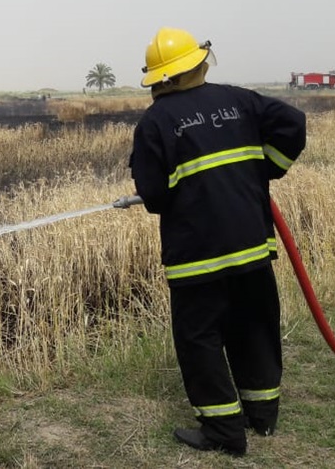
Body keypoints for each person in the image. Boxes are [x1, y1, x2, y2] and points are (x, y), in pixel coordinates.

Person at [128, 27, 306, 457]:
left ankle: (224, 432)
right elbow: (293, 123)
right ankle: (262, 416)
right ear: (199, 64)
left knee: (200, 338)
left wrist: (176, 191)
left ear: (161, 78)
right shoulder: (240, 101)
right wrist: (267, 168)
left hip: (197, 259)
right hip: (251, 247)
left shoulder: (155, 122)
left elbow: (153, 196)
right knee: (254, 326)